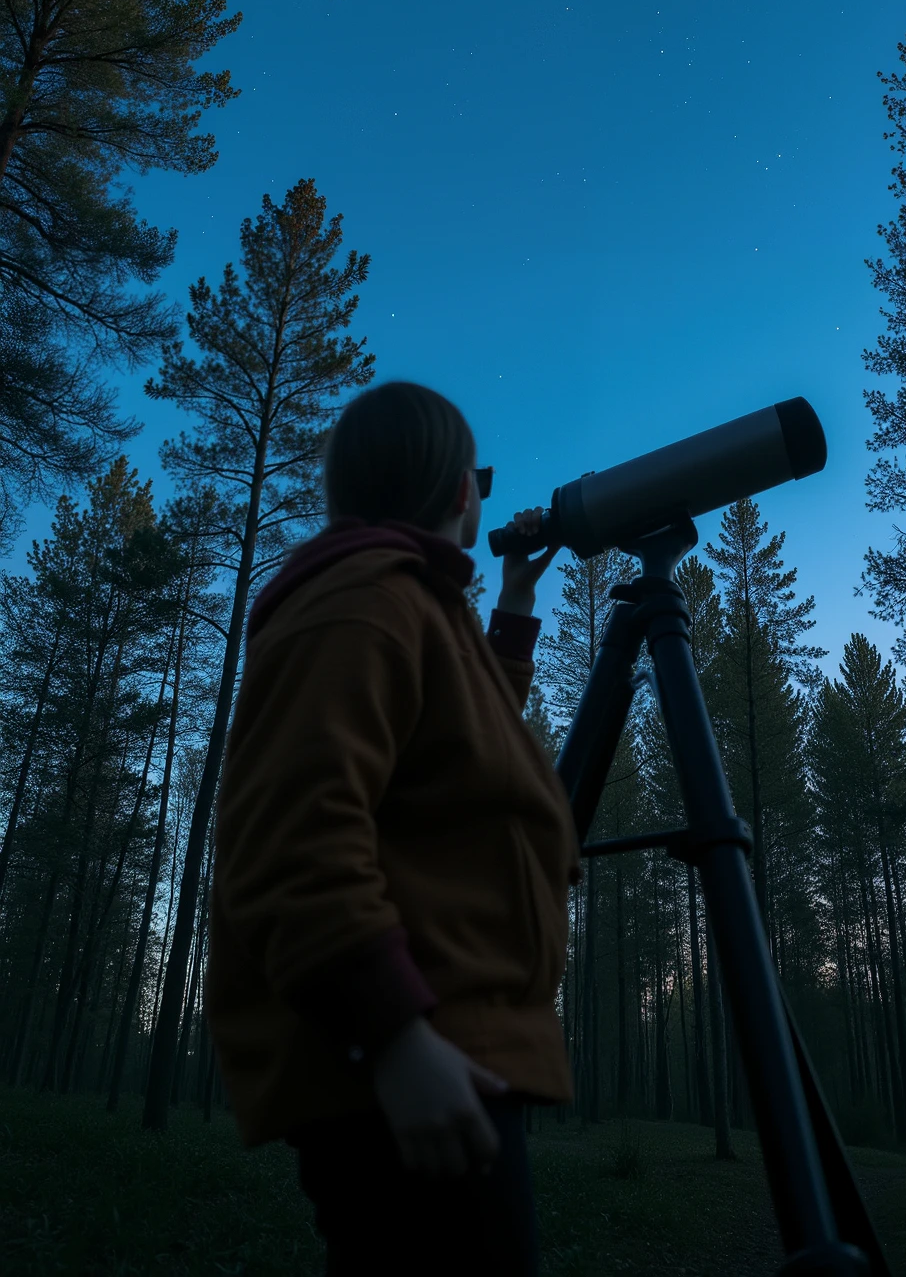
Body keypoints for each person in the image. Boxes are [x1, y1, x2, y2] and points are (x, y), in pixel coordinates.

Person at [205, 380, 580, 1277]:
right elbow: (295, 833)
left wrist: (518, 598)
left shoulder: (404, 606)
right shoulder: (361, 602)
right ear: (461, 493)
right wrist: (395, 1035)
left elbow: (458, 748)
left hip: (443, 1043)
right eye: (480, 480)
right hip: (407, 1056)